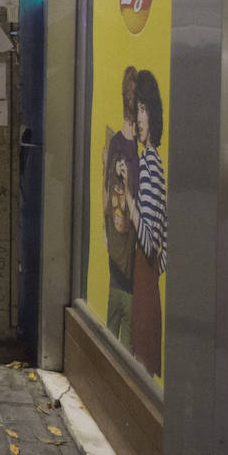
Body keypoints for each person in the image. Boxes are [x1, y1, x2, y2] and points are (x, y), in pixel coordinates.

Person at [123, 68, 166, 377]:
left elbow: (150, 242)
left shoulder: (151, 162)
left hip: (145, 280)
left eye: (142, 109)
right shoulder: (150, 161)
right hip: (146, 281)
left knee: (142, 365)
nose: (138, 118)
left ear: (152, 113)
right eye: (136, 109)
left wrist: (127, 194)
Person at [103, 67, 140, 352]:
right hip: (125, 248)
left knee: (115, 309)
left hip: (116, 245)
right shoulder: (131, 150)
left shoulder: (116, 142)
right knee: (124, 311)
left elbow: (106, 197)